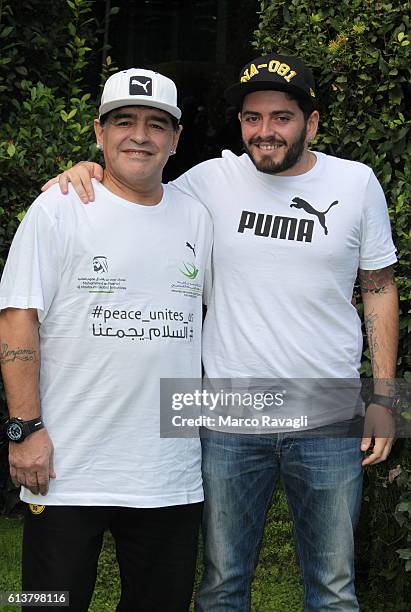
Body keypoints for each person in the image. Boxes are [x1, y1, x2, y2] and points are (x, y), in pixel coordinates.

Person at [43, 53, 398, 611]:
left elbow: (379, 287)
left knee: (333, 587)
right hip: (230, 409)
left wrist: (383, 396)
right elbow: (137, 190)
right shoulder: (209, 181)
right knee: (221, 583)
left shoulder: (356, 184)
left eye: (281, 117)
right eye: (252, 118)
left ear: (313, 122)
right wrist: (87, 171)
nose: (265, 131)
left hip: (329, 409)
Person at [0, 68, 212, 611]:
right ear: (99, 132)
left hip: (169, 472)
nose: (139, 135)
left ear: (175, 139)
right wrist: (24, 428)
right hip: (67, 467)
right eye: (124, 121)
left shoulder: (198, 218)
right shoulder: (57, 209)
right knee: (44, 604)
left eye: (155, 124)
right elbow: (17, 318)